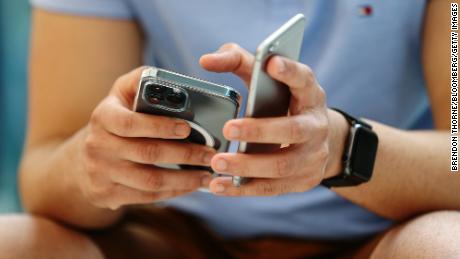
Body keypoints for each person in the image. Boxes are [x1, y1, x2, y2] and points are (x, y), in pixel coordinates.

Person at [0, 0, 459, 258]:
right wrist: (92, 166)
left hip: (381, 236)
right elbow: (43, 175)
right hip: (176, 237)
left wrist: (340, 149)